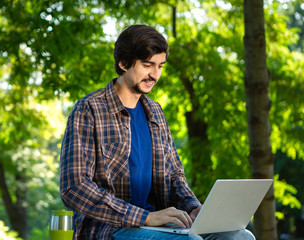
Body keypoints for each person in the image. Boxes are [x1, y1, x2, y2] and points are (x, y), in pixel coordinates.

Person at [60, 25, 255, 240]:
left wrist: (194, 208)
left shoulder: (155, 112)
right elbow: (74, 187)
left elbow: (174, 177)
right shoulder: (89, 109)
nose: (155, 74)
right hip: (110, 229)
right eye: (147, 65)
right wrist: (144, 217)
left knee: (239, 236)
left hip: (161, 224)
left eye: (160, 66)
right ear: (123, 63)